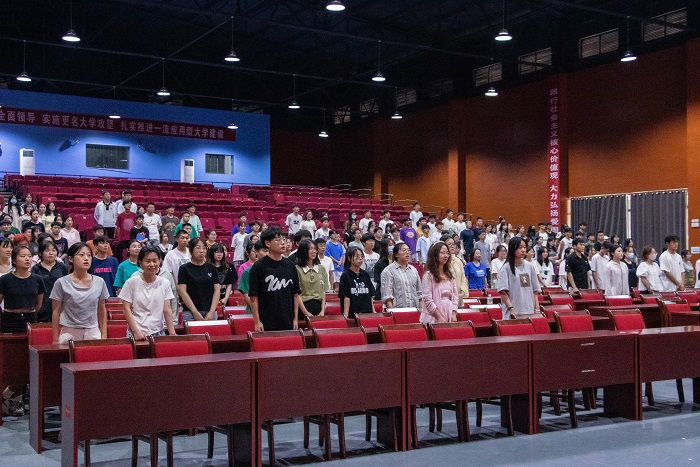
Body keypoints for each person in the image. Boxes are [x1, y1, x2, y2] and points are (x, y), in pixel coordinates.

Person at [50, 241, 109, 343]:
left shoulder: (100, 282)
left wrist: (104, 335)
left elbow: (102, 310)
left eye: (89, 255)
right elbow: (55, 312)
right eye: (81, 255)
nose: (86, 258)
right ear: (70, 259)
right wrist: (55, 339)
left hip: (93, 332)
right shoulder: (61, 282)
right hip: (69, 333)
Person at [249, 226, 301, 331]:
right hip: (266, 322)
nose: (283, 243)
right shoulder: (258, 267)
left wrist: (295, 319)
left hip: (288, 321)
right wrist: (257, 321)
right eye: (278, 240)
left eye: (283, 240)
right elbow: (253, 297)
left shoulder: (290, 266)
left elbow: (295, 295)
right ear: (268, 243)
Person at [119, 246, 176, 340]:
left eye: (155, 261)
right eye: (148, 261)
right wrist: (136, 331)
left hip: (158, 331)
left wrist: (172, 333)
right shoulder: (131, 282)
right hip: (136, 332)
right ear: (140, 263)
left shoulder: (164, 283)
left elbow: (167, 309)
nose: (152, 264)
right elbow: (126, 308)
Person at [498, 236, 541, 319]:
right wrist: (511, 308)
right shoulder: (505, 268)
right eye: (520, 248)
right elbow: (503, 292)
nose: (523, 250)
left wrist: (537, 308)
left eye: (524, 247)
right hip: (513, 312)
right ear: (512, 249)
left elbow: (535, 291)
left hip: (529, 310)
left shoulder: (530, 267)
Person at [177, 238, 220, 321]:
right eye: (198, 248)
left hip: (210, 312)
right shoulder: (184, 269)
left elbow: (217, 290)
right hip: (190, 313)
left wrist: (211, 312)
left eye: (204, 248)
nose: (201, 251)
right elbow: (182, 292)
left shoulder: (212, 267)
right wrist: (195, 312)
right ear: (190, 250)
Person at [420, 242, 458, 324]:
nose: (446, 256)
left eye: (447, 253)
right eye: (442, 253)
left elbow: (455, 295)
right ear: (435, 255)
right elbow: (427, 299)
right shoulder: (428, 275)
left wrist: (454, 313)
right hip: (433, 315)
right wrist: (439, 317)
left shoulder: (449, 275)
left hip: (449, 312)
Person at [32, 240, 68, 322]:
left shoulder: (62, 267)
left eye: (54, 250)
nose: (51, 253)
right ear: (40, 253)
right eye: (47, 250)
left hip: (59, 305)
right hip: (42, 306)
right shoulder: (36, 269)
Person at [380, 241, 422, 309]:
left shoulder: (413, 270)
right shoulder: (388, 271)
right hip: (397, 311)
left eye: (408, 250)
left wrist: (420, 308)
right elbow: (387, 296)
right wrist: (392, 311)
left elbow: (419, 292)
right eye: (404, 250)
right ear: (396, 254)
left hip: (414, 310)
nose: (407, 252)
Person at [338, 245, 375, 317]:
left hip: (367, 313)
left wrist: (373, 311)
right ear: (349, 258)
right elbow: (346, 296)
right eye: (357, 256)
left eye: (361, 256)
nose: (360, 259)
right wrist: (346, 314)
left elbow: (370, 295)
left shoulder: (365, 274)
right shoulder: (345, 275)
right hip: (353, 314)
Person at [295, 239, 327, 319]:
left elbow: (323, 291)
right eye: (310, 249)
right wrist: (305, 312)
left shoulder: (321, 268)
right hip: (303, 307)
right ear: (303, 251)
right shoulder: (296, 269)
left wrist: (322, 310)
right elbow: (296, 294)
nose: (314, 251)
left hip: (319, 307)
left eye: (315, 249)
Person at [237, 241, 267, 314]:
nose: (267, 254)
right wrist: (258, 311)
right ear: (257, 252)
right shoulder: (248, 271)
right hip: (254, 313)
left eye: (268, 251)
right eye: (264, 251)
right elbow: (246, 295)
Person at [207, 243, 237, 307]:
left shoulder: (227, 267)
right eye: (217, 252)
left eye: (221, 252)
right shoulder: (207, 267)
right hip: (210, 299)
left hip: (223, 299)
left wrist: (226, 298)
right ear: (212, 253)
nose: (219, 254)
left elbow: (229, 284)